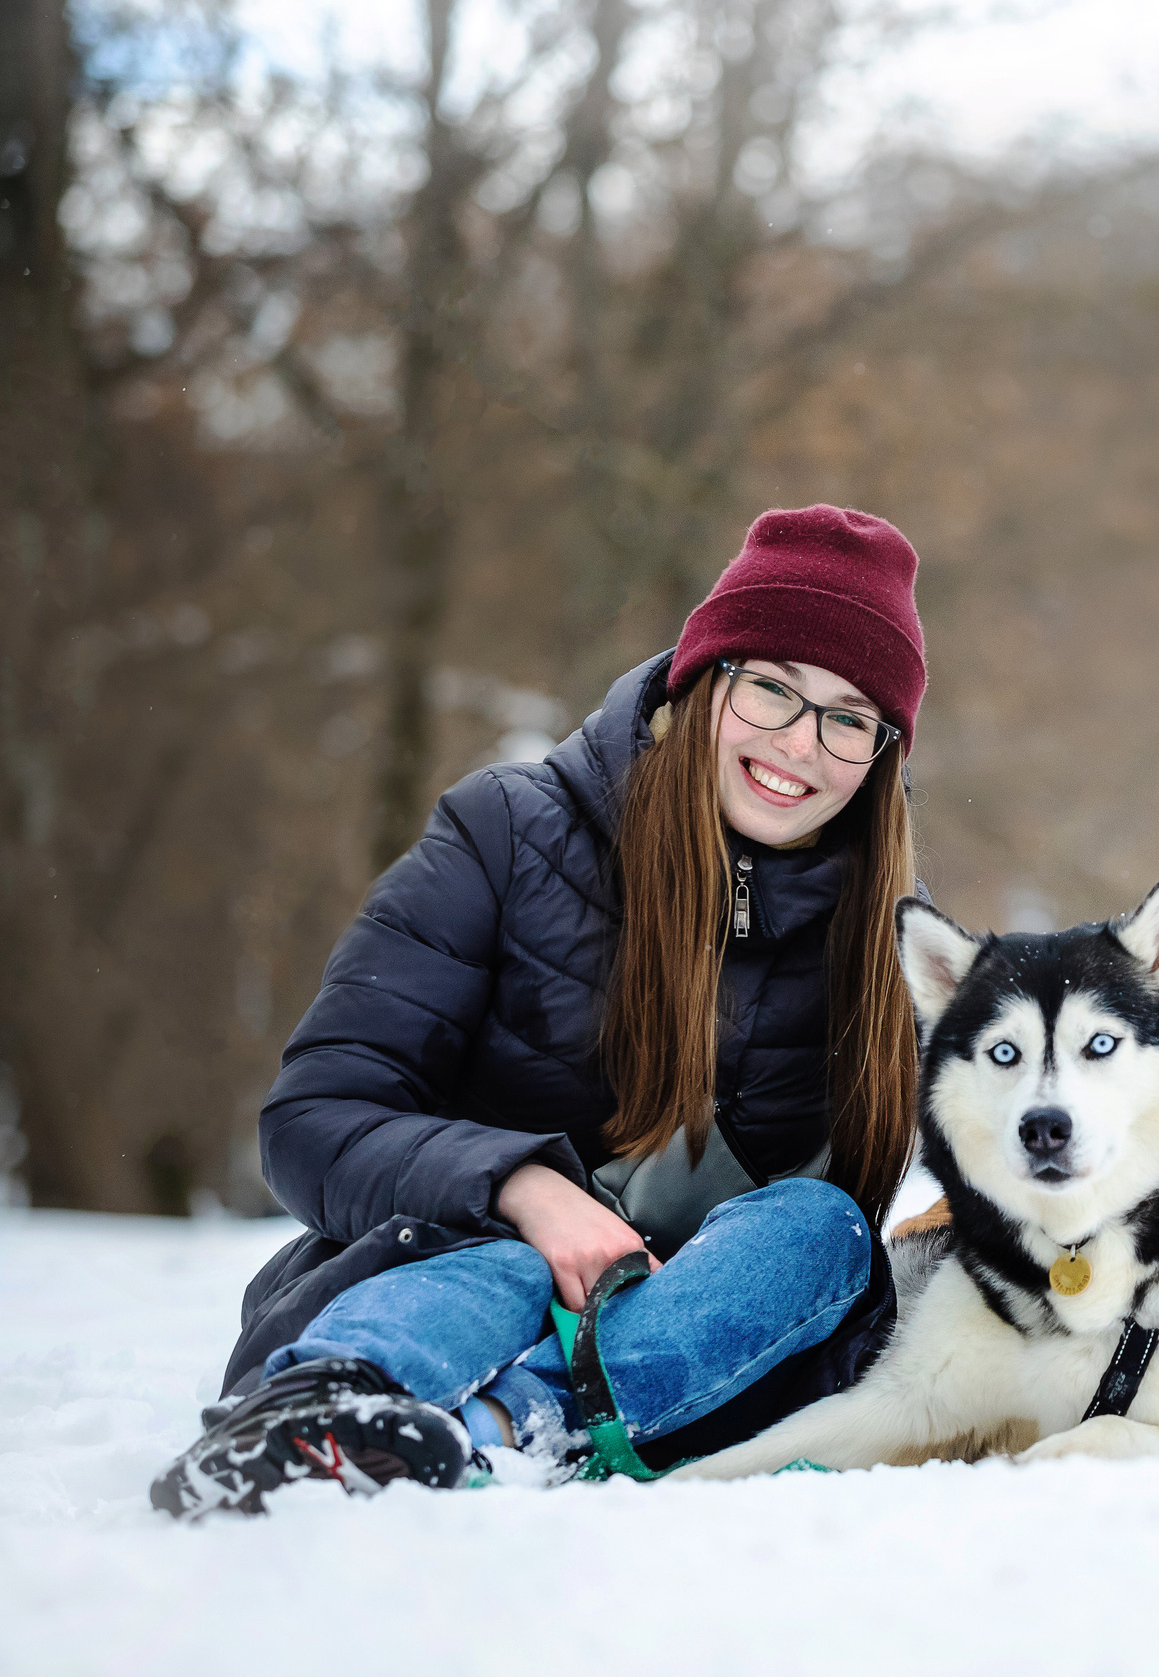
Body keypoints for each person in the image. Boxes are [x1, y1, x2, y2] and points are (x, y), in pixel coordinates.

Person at [154, 505, 931, 1516]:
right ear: (703, 680)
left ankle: (510, 1431)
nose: (801, 742)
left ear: (881, 757)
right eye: (772, 689)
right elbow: (314, 1120)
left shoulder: (890, 951)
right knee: (512, 1266)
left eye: (848, 717)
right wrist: (524, 1188)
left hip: (677, 1356)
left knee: (822, 1230)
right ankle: (333, 1412)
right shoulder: (506, 836)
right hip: (440, 1284)